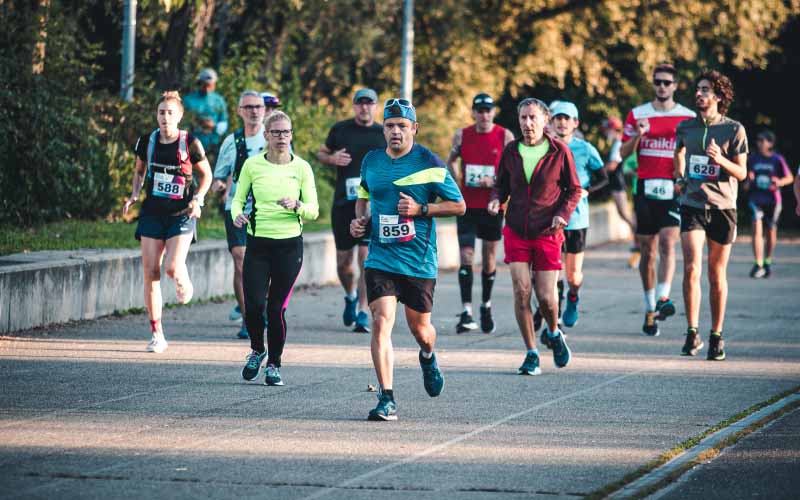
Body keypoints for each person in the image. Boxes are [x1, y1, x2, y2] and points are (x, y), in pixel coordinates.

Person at [349, 98, 465, 421]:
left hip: (418, 261)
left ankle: (428, 356)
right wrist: (360, 222)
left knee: (420, 329)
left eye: (402, 126)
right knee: (381, 320)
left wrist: (421, 210)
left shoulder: (429, 162)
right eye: (389, 126)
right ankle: (387, 398)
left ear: (414, 128)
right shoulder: (371, 161)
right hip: (381, 255)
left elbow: (459, 206)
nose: (395, 131)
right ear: (382, 129)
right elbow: (364, 196)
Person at [488, 98, 581, 376]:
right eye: (523, 118)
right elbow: (499, 186)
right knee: (521, 291)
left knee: (546, 298)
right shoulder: (511, 151)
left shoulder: (559, 151)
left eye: (533, 118)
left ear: (545, 120)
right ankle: (531, 352)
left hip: (547, 232)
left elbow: (574, 190)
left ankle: (554, 332)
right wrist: (495, 200)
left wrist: (562, 214)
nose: (527, 124)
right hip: (516, 229)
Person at [233, 111, 319, 385]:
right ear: (266, 135)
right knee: (254, 306)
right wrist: (238, 214)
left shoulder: (302, 168)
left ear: (291, 135)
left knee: (275, 309)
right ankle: (257, 350)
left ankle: (274, 364)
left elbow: (315, 210)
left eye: (286, 132)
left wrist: (298, 206)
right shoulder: (252, 165)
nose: (282, 137)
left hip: (289, 247)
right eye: (276, 132)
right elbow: (238, 200)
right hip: (258, 245)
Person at [123, 91, 212, 353]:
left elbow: (205, 175)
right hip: (152, 212)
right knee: (150, 272)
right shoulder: (147, 142)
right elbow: (139, 172)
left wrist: (198, 199)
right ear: (156, 115)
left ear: (180, 116)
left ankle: (183, 279)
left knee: (172, 268)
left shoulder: (190, 142)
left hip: (182, 213)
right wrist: (133, 195)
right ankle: (156, 333)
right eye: (161, 112)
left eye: (170, 112)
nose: (165, 117)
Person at [674, 70, 748, 361]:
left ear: (718, 96)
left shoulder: (733, 130)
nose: (699, 94)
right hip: (692, 204)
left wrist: (721, 161)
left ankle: (716, 335)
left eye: (705, 90)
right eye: (698, 88)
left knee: (716, 274)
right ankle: (692, 332)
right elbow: (678, 154)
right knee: (691, 267)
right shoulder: (686, 127)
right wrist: (679, 179)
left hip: (723, 207)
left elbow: (741, 173)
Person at [620, 63, 696, 336]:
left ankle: (664, 298)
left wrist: (685, 180)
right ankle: (649, 306)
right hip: (645, 189)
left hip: (673, 189)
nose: (661, 86)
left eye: (666, 82)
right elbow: (623, 150)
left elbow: (693, 152)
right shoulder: (638, 114)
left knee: (667, 243)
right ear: (653, 84)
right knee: (648, 251)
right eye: (657, 82)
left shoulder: (687, 117)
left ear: (675, 85)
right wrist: (639, 135)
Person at [317, 88, 386, 333]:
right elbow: (321, 153)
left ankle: (363, 312)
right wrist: (332, 158)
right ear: (354, 106)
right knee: (344, 263)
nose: (364, 108)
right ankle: (350, 295)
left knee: (366, 259)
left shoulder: (383, 133)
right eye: (360, 104)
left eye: (369, 103)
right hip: (344, 205)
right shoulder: (340, 129)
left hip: (372, 206)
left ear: (376, 106)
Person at [446, 93, 514, 334]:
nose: (484, 115)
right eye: (480, 110)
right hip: (467, 205)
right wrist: (456, 180)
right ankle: (467, 311)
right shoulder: (462, 134)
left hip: (493, 206)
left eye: (488, 110)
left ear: (493, 112)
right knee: (466, 255)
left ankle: (486, 305)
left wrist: (494, 180)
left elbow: (513, 169)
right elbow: (450, 160)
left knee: (488, 258)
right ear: (473, 112)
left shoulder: (505, 136)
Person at [211, 90, 268, 339]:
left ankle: (262, 308)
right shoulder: (231, 142)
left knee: (265, 267)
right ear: (240, 111)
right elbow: (219, 175)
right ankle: (249, 319)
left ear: (264, 110)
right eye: (249, 107)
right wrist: (218, 186)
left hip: (269, 210)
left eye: (258, 106)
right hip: (237, 208)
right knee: (241, 260)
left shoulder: (274, 138)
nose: (254, 111)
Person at [549, 101, 607, 328]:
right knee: (554, 272)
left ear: (575, 123)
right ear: (551, 122)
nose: (562, 123)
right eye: (558, 118)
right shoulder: (545, 147)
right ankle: (555, 315)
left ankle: (573, 298)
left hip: (577, 219)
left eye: (566, 119)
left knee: (573, 276)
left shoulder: (586, 149)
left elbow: (604, 177)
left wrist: (587, 190)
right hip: (551, 218)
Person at [745, 130, 793, 278]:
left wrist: (779, 182)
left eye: (762, 140)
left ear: (770, 143)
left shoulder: (777, 159)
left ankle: (767, 261)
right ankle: (758, 263)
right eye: (758, 140)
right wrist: (749, 180)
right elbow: (745, 184)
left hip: (773, 200)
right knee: (756, 229)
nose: (759, 143)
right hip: (756, 199)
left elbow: (790, 178)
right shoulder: (753, 158)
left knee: (771, 231)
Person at [601, 115, 640, 267]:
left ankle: (640, 242)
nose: (606, 133)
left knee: (627, 216)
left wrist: (597, 172)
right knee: (625, 216)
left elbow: (613, 165)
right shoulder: (616, 143)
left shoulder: (619, 144)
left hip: (618, 184)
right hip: (615, 184)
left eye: (608, 130)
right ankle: (639, 241)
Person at [183, 68, 229, 162]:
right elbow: (183, 122)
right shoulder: (188, 100)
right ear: (199, 83)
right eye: (205, 85)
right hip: (192, 144)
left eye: (210, 86)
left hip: (213, 145)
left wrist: (214, 127)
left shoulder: (219, 100)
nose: (207, 89)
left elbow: (224, 121)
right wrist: (196, 122)